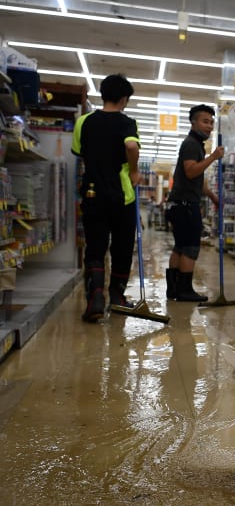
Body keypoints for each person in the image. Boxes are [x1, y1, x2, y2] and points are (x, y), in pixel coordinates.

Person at [72, 73, 141, 323]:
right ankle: (118, 298)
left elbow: (79, 154)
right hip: (122, 196)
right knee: (122, 248)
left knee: (95, 247)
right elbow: (131, 147)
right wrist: (133, 170)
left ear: (102, 95)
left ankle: (95, 298)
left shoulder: (84, 122)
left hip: (92, 194)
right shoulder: (128, 123)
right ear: (124, 99)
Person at [165, 104, 223, 302]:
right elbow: (191, 170)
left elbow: (196, 178)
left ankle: (173, 289)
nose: (209, 126)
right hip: (185, 205)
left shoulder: (196, 144)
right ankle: (184, 290)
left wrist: (213, 197)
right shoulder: (191, 144)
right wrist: (214, 157)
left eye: (211, 122)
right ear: (193, 122)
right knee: (190, 247)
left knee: (180, 247)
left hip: (179, 204)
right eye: (205, 121)